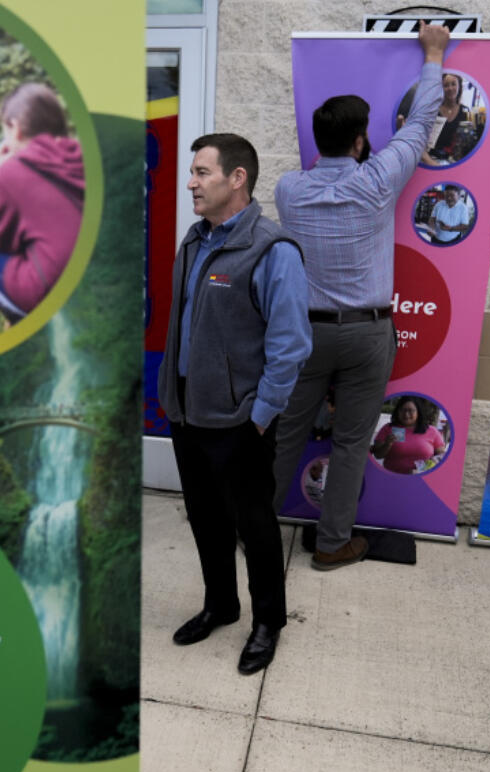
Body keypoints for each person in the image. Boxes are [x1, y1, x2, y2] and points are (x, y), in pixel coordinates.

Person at [271, 22, 450, 571]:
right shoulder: (376, 180)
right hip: (368, 332)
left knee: (286, 435)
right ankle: (331, 546)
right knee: (350, 443)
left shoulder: (288, 189)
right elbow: (422, 122)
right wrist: (434, 52)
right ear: (357, 141)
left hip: (306, 332)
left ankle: (250, 528)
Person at [155, 132, 311, 675]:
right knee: (204, 518)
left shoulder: (272, 251)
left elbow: (291, 345)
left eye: (202, 172)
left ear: (237, 178)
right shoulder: (195, 242)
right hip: (186, 412)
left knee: (254, 524)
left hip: (240, 421)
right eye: (193, 173)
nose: (191, 182)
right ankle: (220, 604)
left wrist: (260, 416)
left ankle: (268, 621)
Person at [0, 83, 83, 323]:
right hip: (88, 281)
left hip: (50, 289)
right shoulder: (82, 156)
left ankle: (20, 317)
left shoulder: (13, 171)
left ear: (15, 129)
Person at [369, 395, 445, 475]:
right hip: (392, 478)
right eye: (402, 410)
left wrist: (426, 467)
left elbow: (441, 456)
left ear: (418, 412)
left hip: (423, 480)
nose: (406, 414)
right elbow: (378, 455)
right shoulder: (388, 428)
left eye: (411, 410)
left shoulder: (431, 431)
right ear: (397, 411)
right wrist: (387, 444)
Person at [419, 72, 473, 166]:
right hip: (431, 161)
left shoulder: (466, 111)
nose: (450, 88)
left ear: (459, 86)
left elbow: (468, 142)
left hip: (455, 162)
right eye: (446, 85)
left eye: (453, 84)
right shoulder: (432, 110)